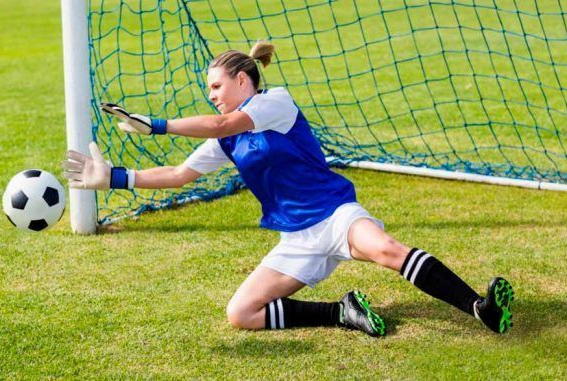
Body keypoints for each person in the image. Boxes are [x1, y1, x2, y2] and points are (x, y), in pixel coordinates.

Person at [62, 41, 514, 337]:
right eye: (209, 89)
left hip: (335, 214)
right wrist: (115, 178)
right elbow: (181, 175)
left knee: (387, 249)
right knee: (241, 313)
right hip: (296, 238)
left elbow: (222, 120)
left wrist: (159, 125)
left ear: (244, 80)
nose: (212, 95)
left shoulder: (274, 103)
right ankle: (342, 312)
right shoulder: (228, 139)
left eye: (217, 86)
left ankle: (480, 307)